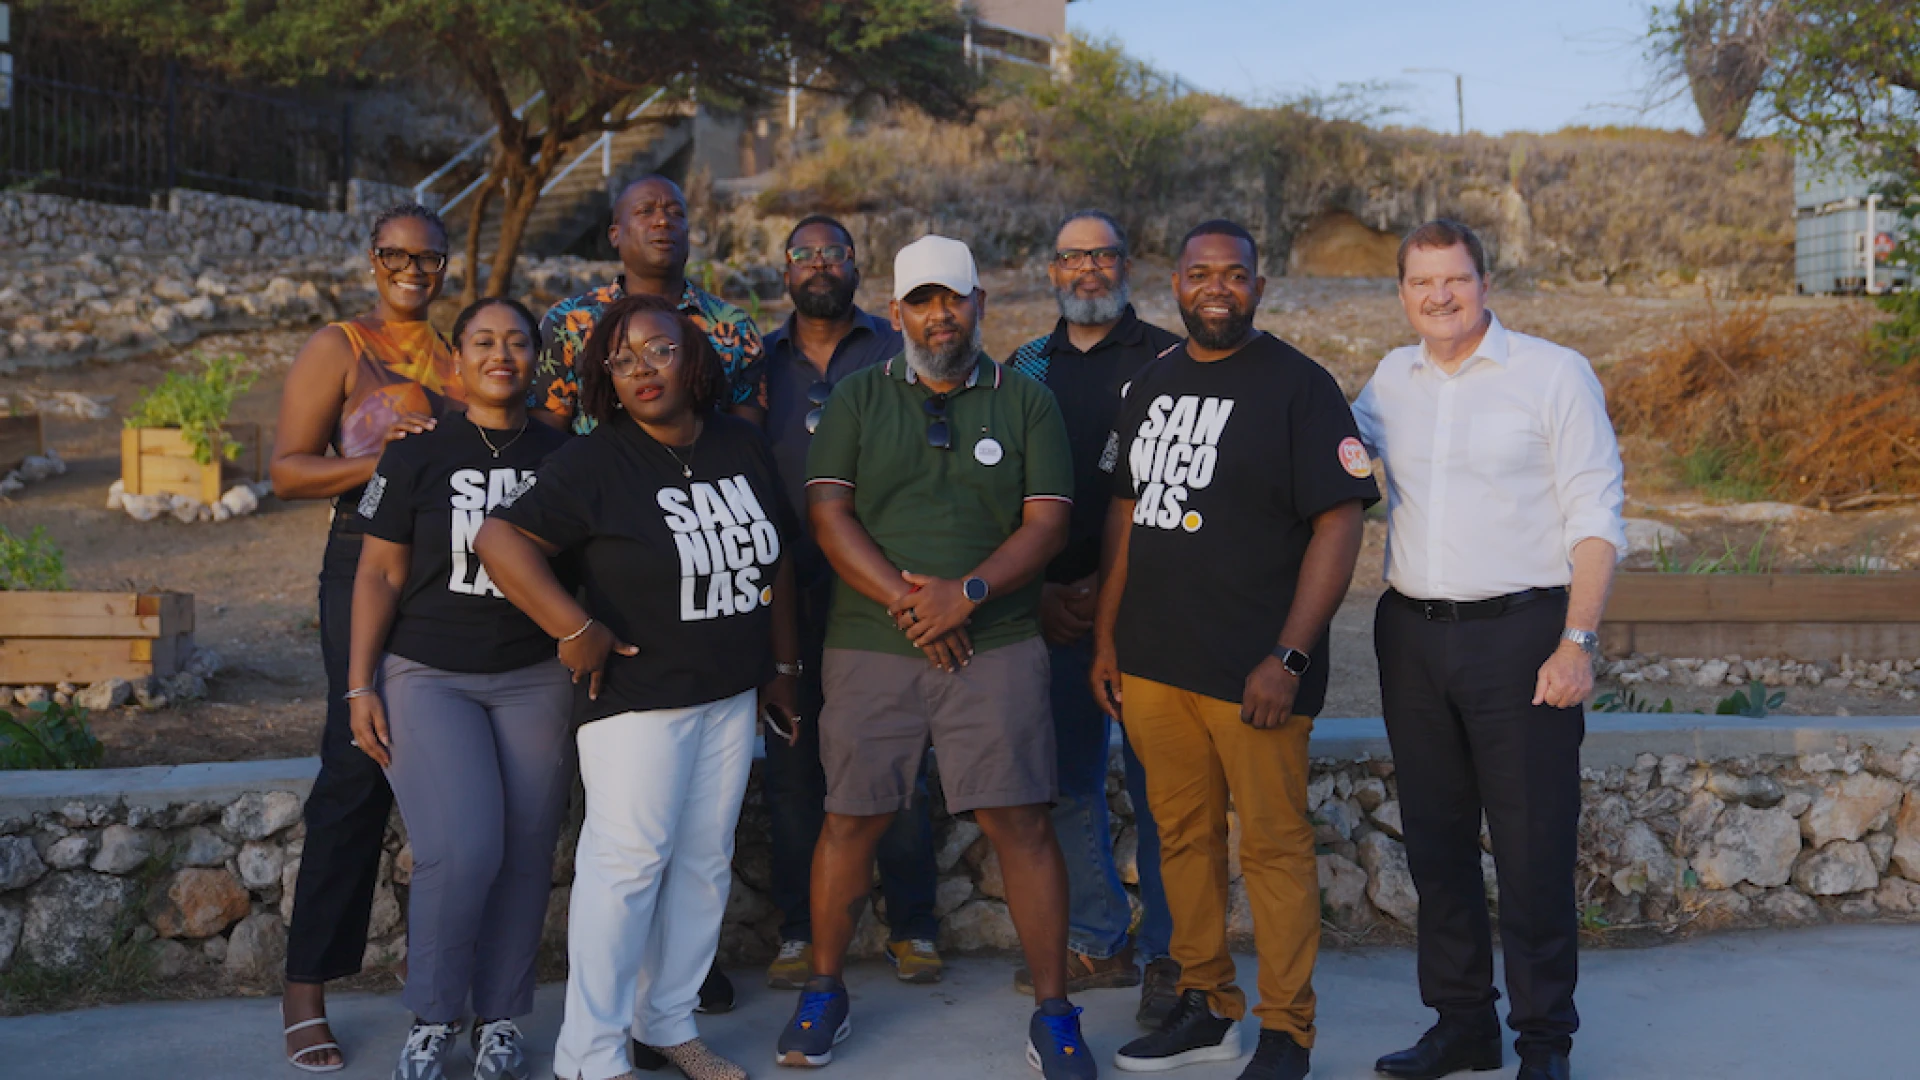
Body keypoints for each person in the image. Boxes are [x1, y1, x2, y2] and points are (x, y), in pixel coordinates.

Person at [778, 235, 1096, 1079]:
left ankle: (1055, 1013)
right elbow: (830, 520)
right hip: (870, 644)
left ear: (980, 303)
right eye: (921, 300)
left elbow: (1047, 524)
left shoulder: (1027, 403)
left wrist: (971, 595)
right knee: (850, 818)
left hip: (994, 644)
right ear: (897, 313)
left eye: (952, 299)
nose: (939, 315)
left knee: (1020, 821)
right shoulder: (854, 399)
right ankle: (823, 991)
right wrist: (914, 601)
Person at [476, 292, 800, 1080]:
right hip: (636, 701)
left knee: (701, 864)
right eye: (621, 360)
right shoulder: (595, 462)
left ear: (695, 358)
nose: (641, 370)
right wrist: (573, 627)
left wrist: (783, 669)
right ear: (604, 379)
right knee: (627, 869)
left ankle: (666, 1023)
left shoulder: (738, 444)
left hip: (727, 693)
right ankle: (590, 1056)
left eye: (658, 350)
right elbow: (497, 537)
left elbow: (778, 557)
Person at [1090, 220, 1376, 1080]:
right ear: (1173, 283)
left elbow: (1340, 520)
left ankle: (1287, 1031)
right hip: (1153, 665)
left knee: (1275, 850)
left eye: (1236, 274)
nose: (1218, 287)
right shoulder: (1149, 383)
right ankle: (1207, 1006)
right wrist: (1108, 637)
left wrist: (1288, 657)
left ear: (1261, 284)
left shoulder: (1301, 387)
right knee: (1181, 841)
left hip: (1255, 673)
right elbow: (1127, 514)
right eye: (1200, 273)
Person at [1352, 220, 1625, 1080]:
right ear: (1403, 292)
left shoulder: (1551, 374)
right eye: (1422, 283)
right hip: (1412, 638)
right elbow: (1339, 466)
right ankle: (1463, 1023)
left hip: (1523, 638)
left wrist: (1576, 641)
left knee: (1533, 850)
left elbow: (1596, 518)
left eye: (1456, 280)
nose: (1440, 296)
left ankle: (1544, 1043)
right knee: (1435, 848)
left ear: (1485, 281)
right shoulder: (1389, 381)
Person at [344, 297, 572, 1080]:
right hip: (430, 673)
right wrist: (357, 685)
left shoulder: (564, 451)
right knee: (459, 848)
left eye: (516, 341)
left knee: (525, 850)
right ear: (458, 359)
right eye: (483, 341)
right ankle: (435, 1016)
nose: (501, 354)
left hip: (535, 675)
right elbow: (378, 572)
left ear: (536, 357)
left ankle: (501, 1017)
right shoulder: (416, 451)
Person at [269, 202, 461, 1074]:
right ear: (373, 259)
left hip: (445, 568)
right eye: (396, 255)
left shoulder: (462, 359)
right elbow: (287, 471)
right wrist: (389, 460)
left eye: (429, 258)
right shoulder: (339, 347)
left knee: (441, 773)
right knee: (354, 769)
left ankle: (440, 979)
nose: (413, 270)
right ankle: (304, 989)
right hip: (361, 560)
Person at [758, 213, 946, 989]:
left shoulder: (895, 346)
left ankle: (913, 925)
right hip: (783, 587)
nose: (819, 265)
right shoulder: (760, 364)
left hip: (882, 581)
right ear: (785, 272)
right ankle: (801, 932)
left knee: (894, 755)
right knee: (794, 758)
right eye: (804, 254)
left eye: (833, 252)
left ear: (857, 266)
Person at [1005, 210, 1181, 1024]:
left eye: (1104, 255)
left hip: (1151, 617)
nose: (1089, 270)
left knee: (1163, 797)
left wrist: (1111, 595)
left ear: (1125, 264)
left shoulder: (1171, 361)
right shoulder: (1021, 368)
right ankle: (1101, 938)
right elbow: (999, 497)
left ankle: (1172, 960)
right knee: (1067, 786)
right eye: (1072, 257)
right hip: (1056, 615)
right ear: (1052, 270)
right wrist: (1041, 596)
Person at [531, 173, 765, 434]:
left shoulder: (734, 326)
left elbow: (747, 438)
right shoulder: (569, 322)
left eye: (676, 213)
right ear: (615, 235)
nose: (663, 221)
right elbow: (547, 434)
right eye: (645, 211)